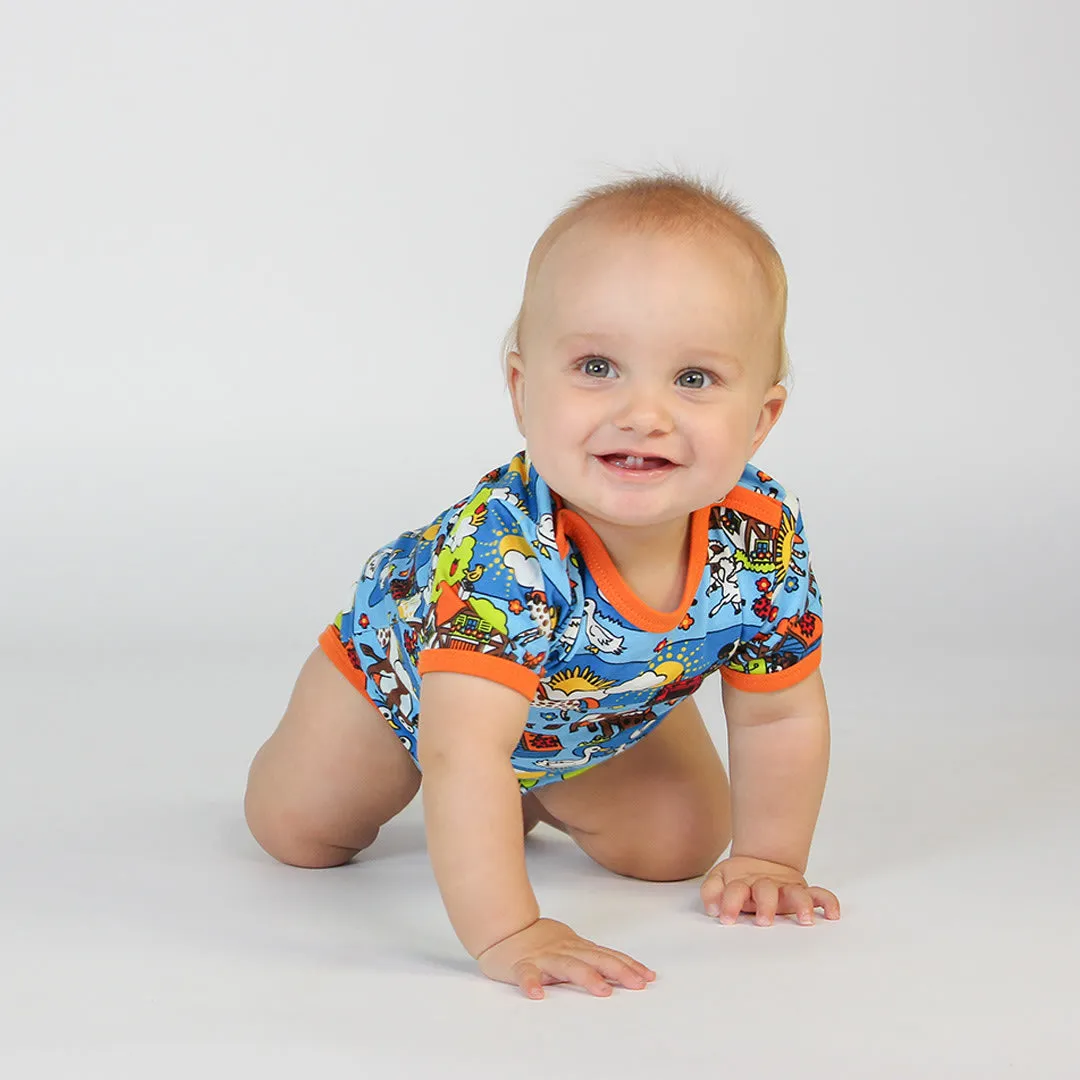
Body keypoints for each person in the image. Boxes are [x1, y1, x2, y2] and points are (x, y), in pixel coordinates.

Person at [244, 170, 841, 1000]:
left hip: (582, 706)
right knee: (299, 834)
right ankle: (468, 795)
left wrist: (771, 856)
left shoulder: (759, 537)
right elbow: (463, 748)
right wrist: (511, 931)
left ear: (762, 418)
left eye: (694, 379)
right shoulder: (509, 551)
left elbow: (778, 709)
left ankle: (523, 794)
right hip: (402, 690)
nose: (644, 413)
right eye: (597, 366)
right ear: (524, 391)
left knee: (678, 846)